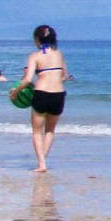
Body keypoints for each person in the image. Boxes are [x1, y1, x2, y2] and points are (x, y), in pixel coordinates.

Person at [13, 24, 66, 173]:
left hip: (41, 93)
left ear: (37, 39)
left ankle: (41, 164)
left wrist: (15, 92)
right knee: (50, 131)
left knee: (37, 131)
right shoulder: (59, 54)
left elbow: (27, 79)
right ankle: (42, 162)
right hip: (58, 95)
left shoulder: (35, 56)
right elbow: (64, 76)